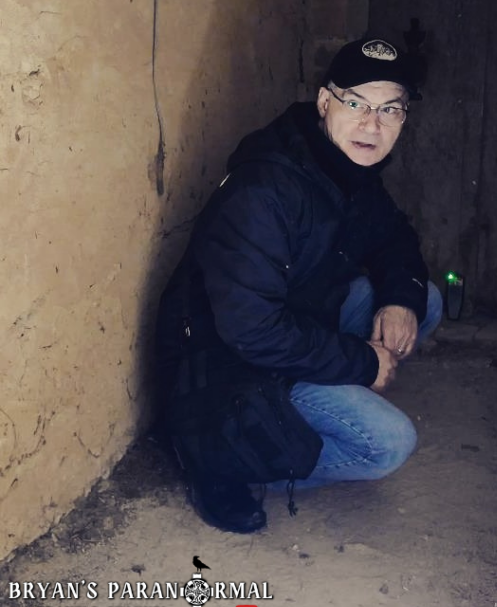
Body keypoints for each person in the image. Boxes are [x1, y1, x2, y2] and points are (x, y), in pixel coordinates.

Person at [154, 37, 442, 533]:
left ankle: (303, 411)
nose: (372, 125)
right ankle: (226, 459)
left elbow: (395, 238)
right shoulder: (265, 189)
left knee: (423, 301)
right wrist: (362, 362)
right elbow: (253, 331)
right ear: (326, 102)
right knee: (386, 444)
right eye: (357, 104)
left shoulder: (348, 167)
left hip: (299, 319)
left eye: (389, 110)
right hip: (225, 364)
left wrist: (399, 300)